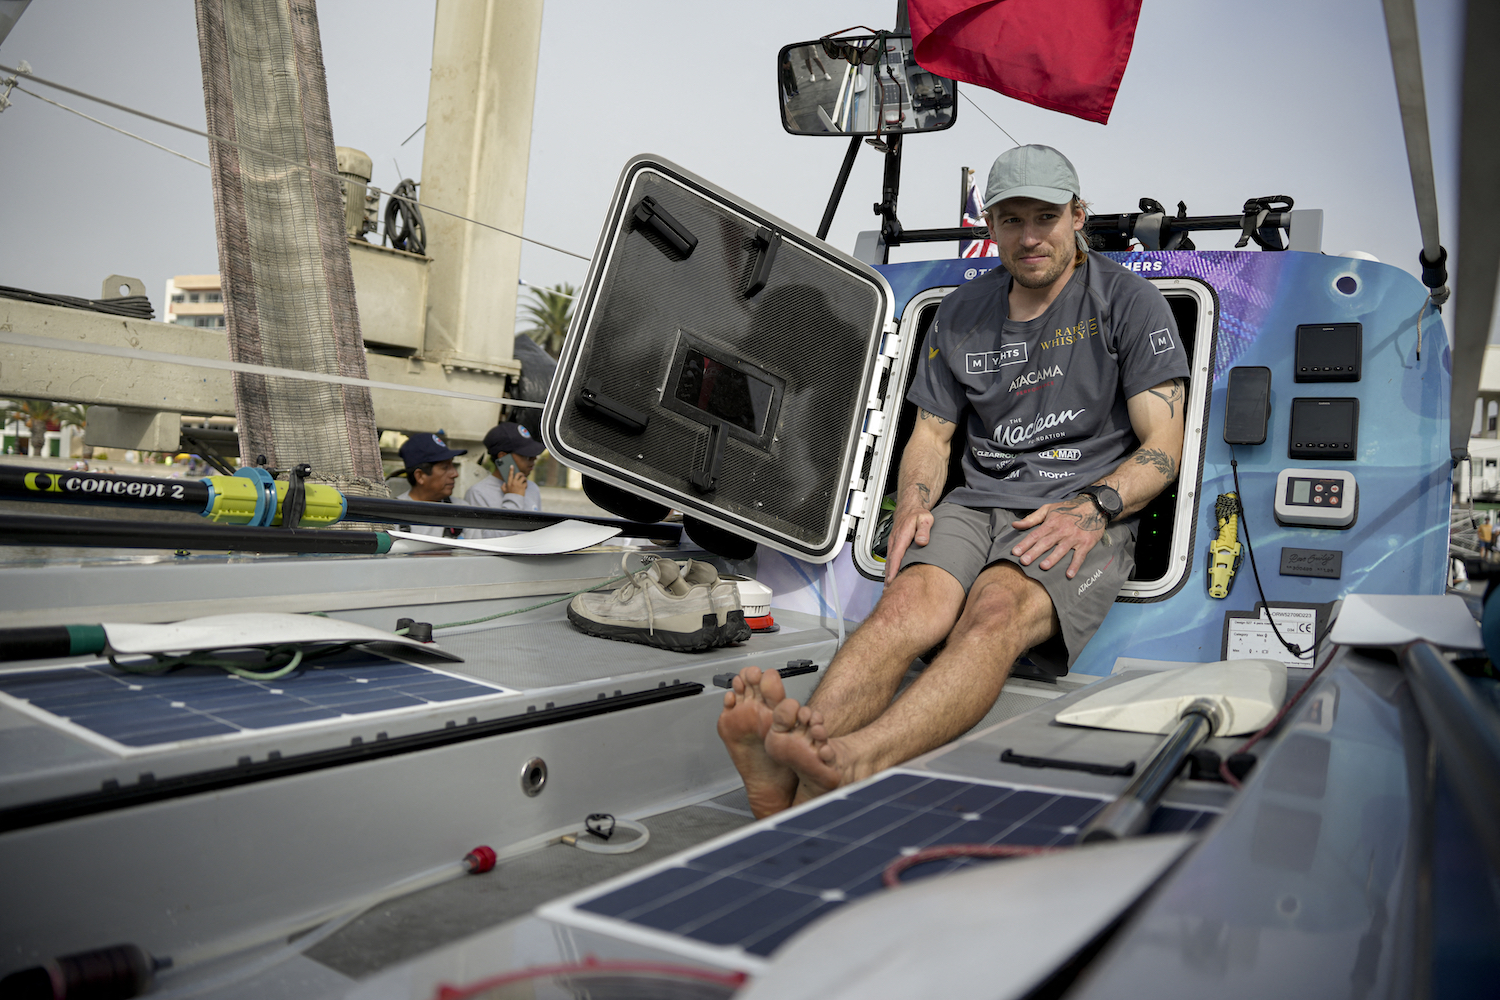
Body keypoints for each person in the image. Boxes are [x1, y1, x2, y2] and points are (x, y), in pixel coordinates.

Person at [718, 144, 1191, 818]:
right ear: (990, 226)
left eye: (1046, 217)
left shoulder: (1128, 302)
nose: (1030, 237)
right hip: (975, 503)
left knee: (991, 616)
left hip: (1079, 505)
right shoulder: (963, 313)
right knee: (904, 612)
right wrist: (913, 503)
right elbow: (932, 437)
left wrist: (1092, 508)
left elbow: (1164, 446)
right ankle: (791, 763)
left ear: (1077, 216)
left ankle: (852, 761)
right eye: (1012, 219)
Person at [462, 422, 546, 539]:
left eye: (534, 455)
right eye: (527, 455)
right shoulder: (478, 493)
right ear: (503, 457)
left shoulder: (532, 488)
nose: (534, 459)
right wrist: (514, 497)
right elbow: (487, 541)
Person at [393, 432, 467, 538]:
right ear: (420, 476)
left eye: (453, 465)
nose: (455, 474)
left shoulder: (464, 512)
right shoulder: (392, 515)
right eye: (445, 467)